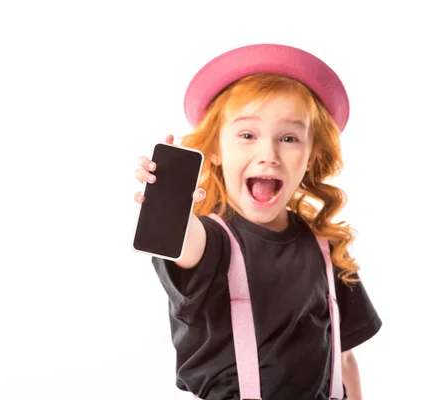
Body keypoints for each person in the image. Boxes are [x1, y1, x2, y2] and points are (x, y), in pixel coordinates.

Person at [133, 44, 382, 400]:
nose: (269, 155)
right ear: (215, 151)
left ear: (311, 156)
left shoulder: (324, 246)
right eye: (247, 135)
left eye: (289, 138)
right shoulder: (213, 242)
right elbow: (185, 244)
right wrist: (170, 204)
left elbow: (343, 358)